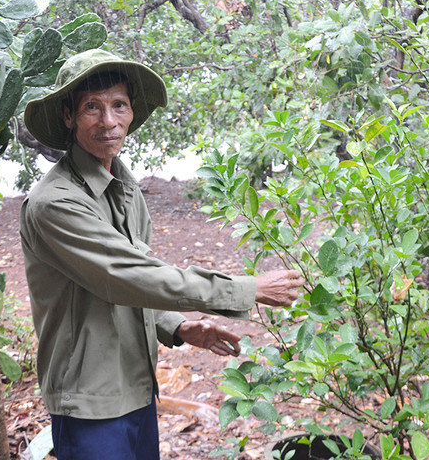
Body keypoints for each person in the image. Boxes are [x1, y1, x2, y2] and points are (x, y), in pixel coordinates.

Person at [19, 48, 303, 460]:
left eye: (119, 105)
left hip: (135, 386)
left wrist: (178, 327)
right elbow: (125, 275)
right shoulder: (55, 203)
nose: (108, 121)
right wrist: (246, 289)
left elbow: (135, 279)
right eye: (91, 108)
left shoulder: (124, 186)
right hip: (91, 401)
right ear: (68, 116)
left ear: (132, 113)